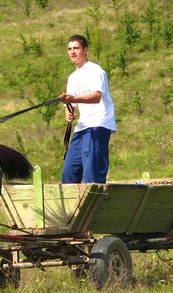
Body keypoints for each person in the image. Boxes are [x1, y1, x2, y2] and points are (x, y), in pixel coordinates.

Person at [60, 35, 116, 184]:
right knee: (69, 172)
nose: (72, 52)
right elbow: (70, 105)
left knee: (92, 171)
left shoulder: (95, 70)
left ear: (85, 50)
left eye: (76, 48)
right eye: (69, 49)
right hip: (82, 127)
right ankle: (73, 206)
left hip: (99, 124)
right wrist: (69, 111)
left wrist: (72, 99)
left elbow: (96, 97)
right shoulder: (72, 77)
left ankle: (94, 203)